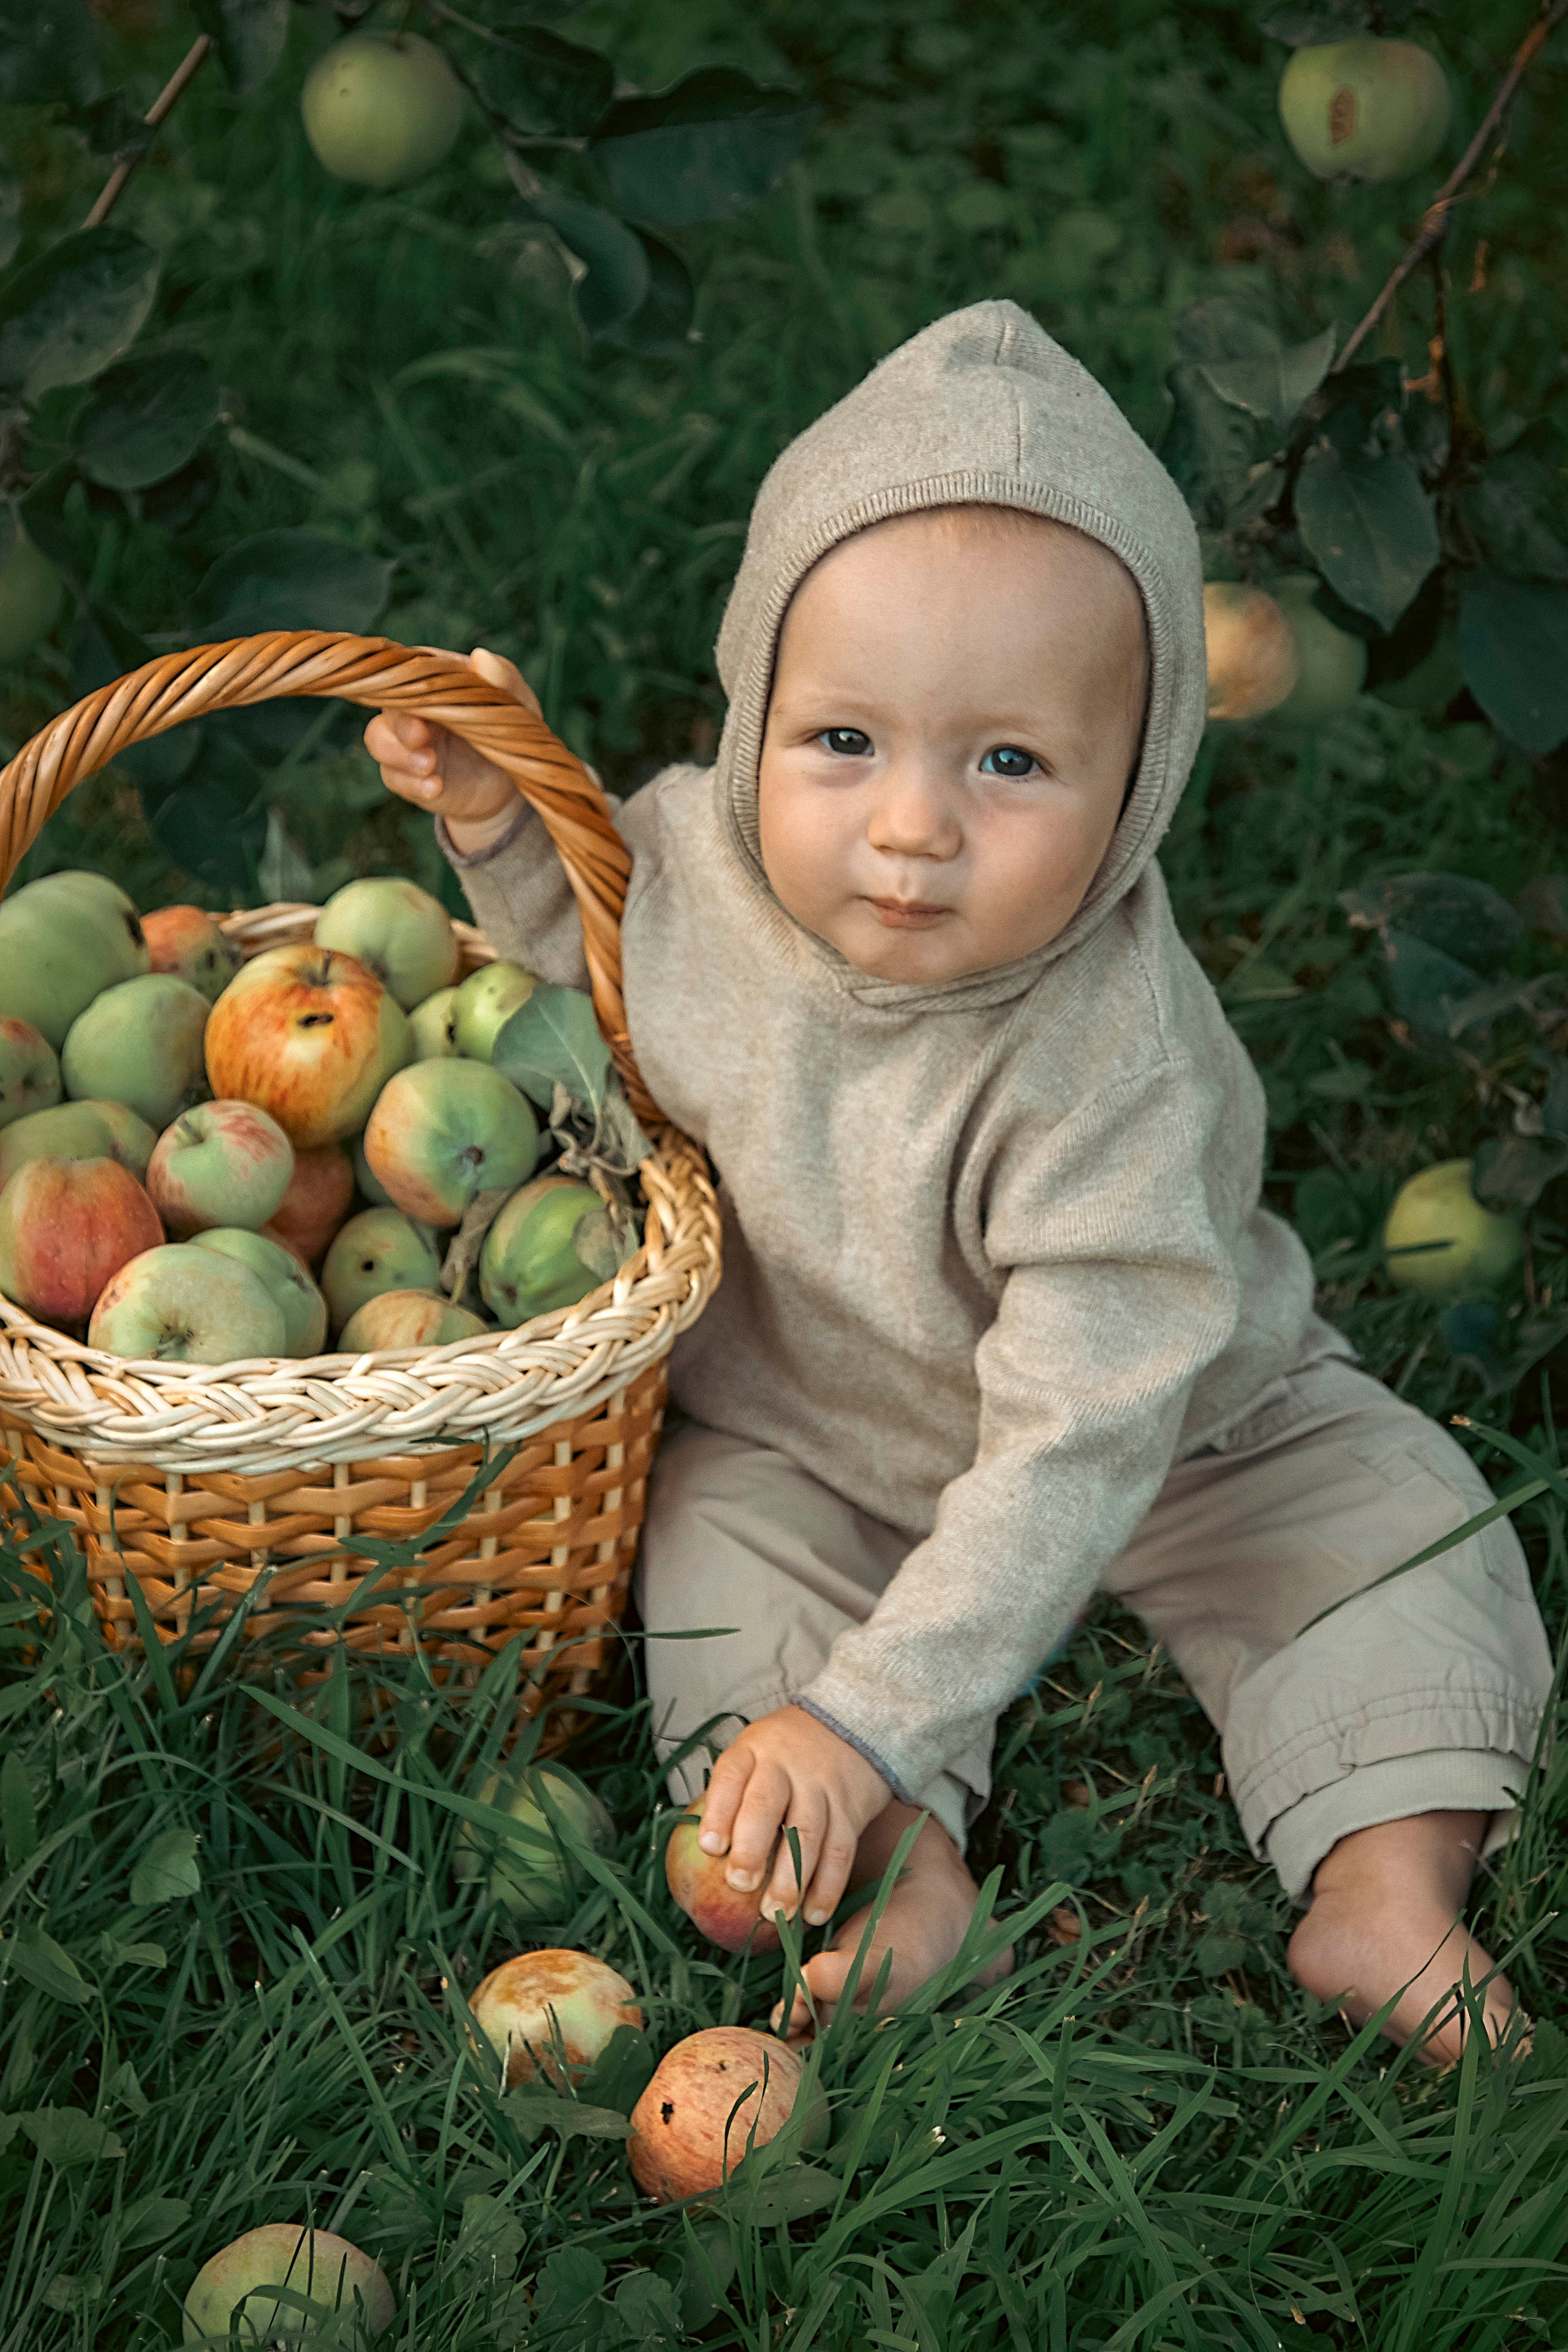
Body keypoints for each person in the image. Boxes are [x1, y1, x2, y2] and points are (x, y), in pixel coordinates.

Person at [366, 299, 1552, 2064]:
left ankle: (1388, 1886)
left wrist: (883, 1701)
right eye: (843, 742)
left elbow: (1084, 1427)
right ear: (758, 705)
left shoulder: (1111, 1058)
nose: (912, 826)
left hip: (1172, 1432)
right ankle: (896, 1866)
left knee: (1386, 1524)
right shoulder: (701, 854)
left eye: (1009, 763)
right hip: (813, 1429)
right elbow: (602, 964)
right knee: (714, 1562)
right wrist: (496, 823)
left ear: (1140, 788)